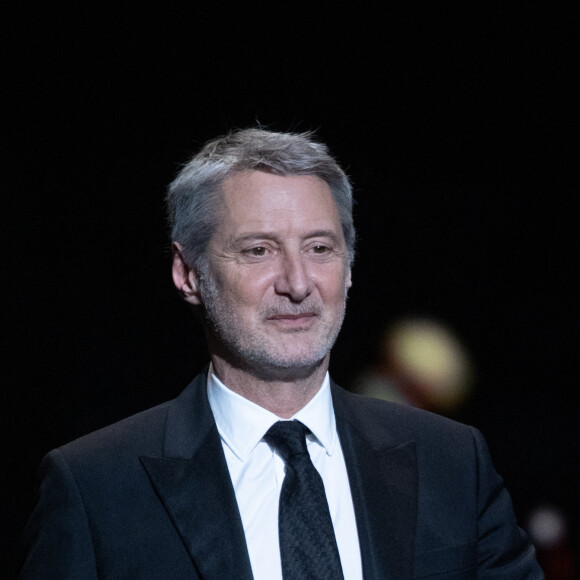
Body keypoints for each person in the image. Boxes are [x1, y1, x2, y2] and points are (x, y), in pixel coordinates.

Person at [19, 128, 543, 579]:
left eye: (319, 248)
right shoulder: (95, 487)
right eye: (258, 250)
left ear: (350, 266)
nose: (297, 284)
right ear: (188, 274)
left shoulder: (452, 462)